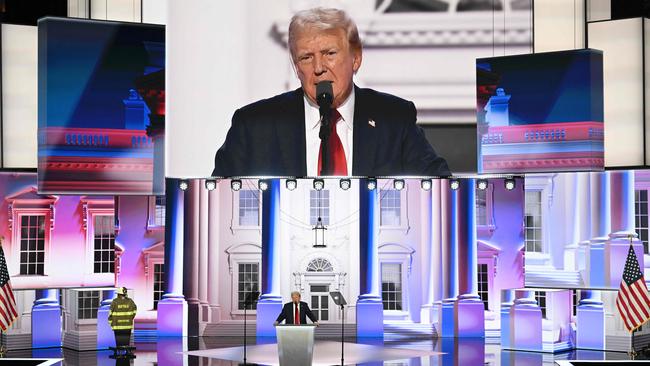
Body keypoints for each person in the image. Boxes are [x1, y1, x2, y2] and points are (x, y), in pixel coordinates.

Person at [212, 7, 450, 177]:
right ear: (296, 67)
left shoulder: (394, 118)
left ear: (356, 58)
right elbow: (217, 201)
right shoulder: (254, 125)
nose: (318, 68)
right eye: (306, 58)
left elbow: (440, 188)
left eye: (329, 54)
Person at [108, 287, 137, 356]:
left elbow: (110, 314)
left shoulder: (114, 302)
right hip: (128, 326)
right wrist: (130, 318)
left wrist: (110, 323)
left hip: (117, 326)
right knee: (126, 341)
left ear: (119, 294)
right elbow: (134, 310)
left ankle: (119, 354)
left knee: (119, 343)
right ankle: (127, 352)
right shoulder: (130, 301)